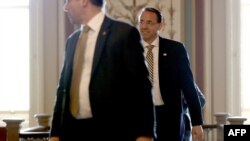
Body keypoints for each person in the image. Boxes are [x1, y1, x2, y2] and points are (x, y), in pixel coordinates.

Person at [49, 1, 155, 141]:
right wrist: (55, 133)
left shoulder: (123, 34)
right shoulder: (72, 41)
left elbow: (141, 88)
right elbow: (62, 90)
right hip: (73, 132)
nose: (65, 7)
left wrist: (145, 134)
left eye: (68, 1)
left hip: (112, 132)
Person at [138, 7, 204, 141]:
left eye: (149, 22)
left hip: (169, 118)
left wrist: (197, 122)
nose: (144, 26)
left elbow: (189, 87)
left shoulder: (175, 50)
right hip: (140, 116)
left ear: (160, 25)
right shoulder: (130, 49)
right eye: (141, 21)